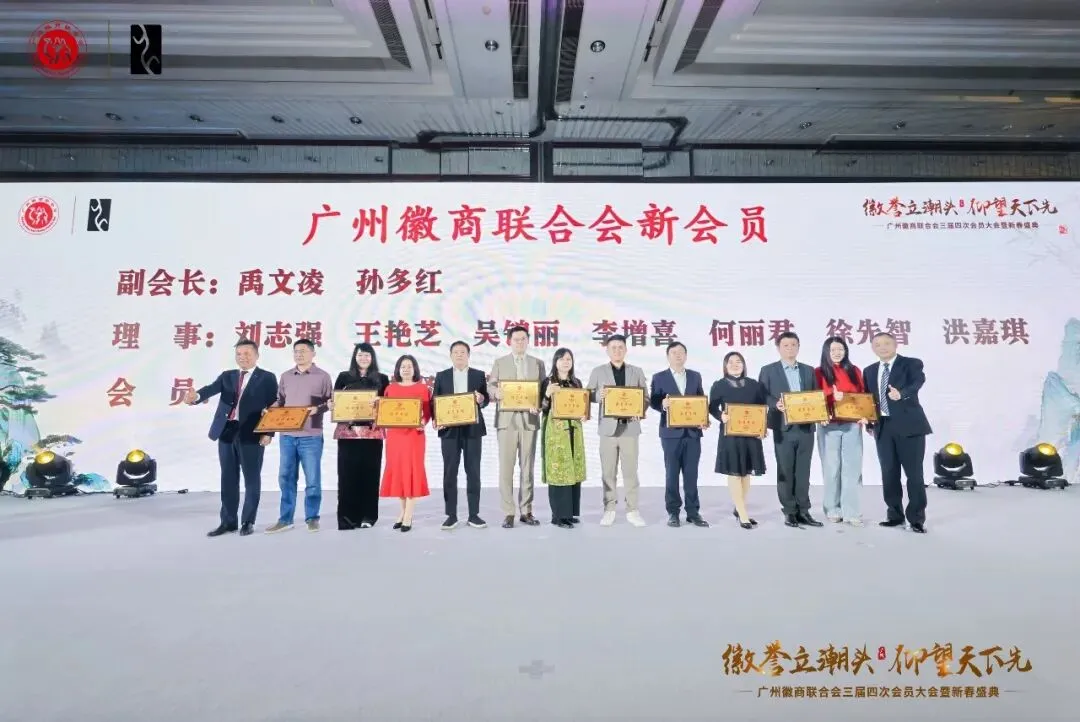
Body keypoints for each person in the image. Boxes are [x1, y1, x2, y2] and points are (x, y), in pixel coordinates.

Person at [186, 339, 278, 537]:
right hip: (226, 431)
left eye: (247, 353)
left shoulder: (267, 377)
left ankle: (248, 521)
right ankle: (228, 522)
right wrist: (195, 397)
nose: (242, 357)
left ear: (256, 355)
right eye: (239, 354)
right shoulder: (227, 376)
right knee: (228, 478)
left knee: (251, 478)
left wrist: (269, 433)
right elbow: (209, 390)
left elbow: (274, 407)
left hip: (252, 434)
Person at [863, 331, 932, 533]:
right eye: (877, 344)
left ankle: (916, 519)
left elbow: (917, 382)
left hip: (910, 427)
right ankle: (894, 515)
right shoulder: (869, 370)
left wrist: (901, 394)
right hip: (883, 427)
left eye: (886, 343)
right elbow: (868, 399)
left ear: (895, 345)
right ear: (873, 348)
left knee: (914, 475)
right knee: (889, 473)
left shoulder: (911, 363)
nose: (882, 347)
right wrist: (869, 422)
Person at [265, 339, 333, 534]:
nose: (299, 354)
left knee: (312, 480)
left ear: (313, 353)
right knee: (286, 478)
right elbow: (280, 401)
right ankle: (285, 519)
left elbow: (330, 403)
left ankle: (312, 518)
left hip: (311, 435)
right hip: (287, 435)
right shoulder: (286, 376)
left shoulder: (323, 377)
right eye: (296, 351)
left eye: (303, 351)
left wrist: (318, 409)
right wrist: (270, 411)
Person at [758, 331, 823, 528]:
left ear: (798, 347)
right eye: (785, 345)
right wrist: (774, 404)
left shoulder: (808, 370)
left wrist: (820, 413)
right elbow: (762, 395)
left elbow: (816, 395)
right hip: (783, 427)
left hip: (806, 427)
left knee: (803, 471)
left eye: (793, 345)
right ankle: (789, 511)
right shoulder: (768, 370)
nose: (790, 348)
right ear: (778, 348)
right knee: (785, 470)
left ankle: (804, 510)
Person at [586, 334, 649, 527]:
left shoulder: (636, 371)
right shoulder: (598, 371)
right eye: (613, 347)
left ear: (626, 350)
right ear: (607, 350)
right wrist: (599, 395)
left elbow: (645, 397)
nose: (617, 350)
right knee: (608, 472)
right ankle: (609, 509)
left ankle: (632, 510)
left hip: (630, 428)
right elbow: (587, 395)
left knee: (631, 472)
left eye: (620, 347)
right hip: (608, 429)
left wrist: (640, 410)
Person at [488, 325, 546, 528]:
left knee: (527, 467)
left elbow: (543, 391)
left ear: (528, 341)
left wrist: (539, 406)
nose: (520, 342)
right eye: (516, 339)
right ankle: (508, 512)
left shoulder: (537, 363)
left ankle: (526, 510)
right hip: (506, 420)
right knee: (506, 467)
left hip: (529, 420)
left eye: (523, 339)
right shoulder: (500, 362)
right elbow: (490, 385)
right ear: (509, 341)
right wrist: (495, 393)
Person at [649, 341, 710, 528]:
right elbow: (653, 401)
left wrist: (704, 420)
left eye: (681, 352)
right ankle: (673, 512)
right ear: (668, 356)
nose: (678, 355)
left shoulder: (695, 376)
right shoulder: (659, 377)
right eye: (674, 352)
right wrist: (662, 404)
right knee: (672, 474)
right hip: (670, 434)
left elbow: (700, 401)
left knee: (692, 474)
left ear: (686, 355)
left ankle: (693, 512)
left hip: (692, 433)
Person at [433, 341, 490, 530]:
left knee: (473, 471)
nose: (459, 355)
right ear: (451, 356)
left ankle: (474, 515)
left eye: (463, 352)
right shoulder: (441, 376)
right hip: (449, 430)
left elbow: (485, 400)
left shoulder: (478, 375)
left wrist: (481, 399)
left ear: (468, 355)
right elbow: (435, 401)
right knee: (450, 472)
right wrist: (436, 419)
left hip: (472, 429)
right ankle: (451, 515)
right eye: (456, 352)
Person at [332, 342, 389, 530]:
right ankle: (347, 518)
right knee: (347, 475)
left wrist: (381, 402)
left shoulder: (382, 379)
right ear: (354, 357)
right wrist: (333, 405)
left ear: (372, 358)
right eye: (360, 355)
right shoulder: (344, 377)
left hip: (372, 433)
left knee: (370, 475)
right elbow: (336, 400)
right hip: (348, 433)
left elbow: (388, 405)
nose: (363, 358)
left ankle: (368, 516)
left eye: (367, 355)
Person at [708, 351, 767, 530]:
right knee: (734, 472)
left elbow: (762, 408)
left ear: (744, 364)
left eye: (738, 361)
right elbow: (711, 407)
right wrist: (720, 416)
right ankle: (743, 514)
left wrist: (762, 429)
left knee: (746, 473)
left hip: (750, 435)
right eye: (731, 362)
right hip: (730, 435)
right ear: (725, 366)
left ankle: (739, 507)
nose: (735, 365)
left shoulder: (754, 385)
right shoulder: (719, 385)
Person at [815, 336, 868, 526]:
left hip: (852, 425)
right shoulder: (818, 372)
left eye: (841, 349)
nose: (837, 353)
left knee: (852, 469)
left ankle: (851, 511)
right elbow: (813, 398)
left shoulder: (854, 371)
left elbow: (863, 396)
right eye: (833, 350)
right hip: (828, 425)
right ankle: (832, 508)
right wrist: (831, 396)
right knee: (832, 468)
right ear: (826, 352)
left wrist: (865, 415)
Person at [379, 355, 432, 532]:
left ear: (415, 369)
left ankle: (408, 515)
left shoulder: (422, 388)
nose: (406, 369)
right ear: (398, 369)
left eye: (410, 366)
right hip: (395, 436)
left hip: (414, 436)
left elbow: (427, 412)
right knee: (399, 472)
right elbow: (385, 411)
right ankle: (402, 512)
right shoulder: (390, 388)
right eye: (403, 366)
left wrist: (422, 422)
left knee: (412, 472)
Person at [539, 348, 588, 528]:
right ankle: (558, 516)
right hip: (556, 432)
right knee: (559, 469)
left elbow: (582, 406)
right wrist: (547, 394)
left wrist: (584, 415)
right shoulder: (548, 382)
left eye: (569, 359)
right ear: (555, 362)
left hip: (574, 429)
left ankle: (570, 513)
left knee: (572, 469)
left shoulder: (576, 382)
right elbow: (542, 408)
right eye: (562, 359)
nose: (566, 362)